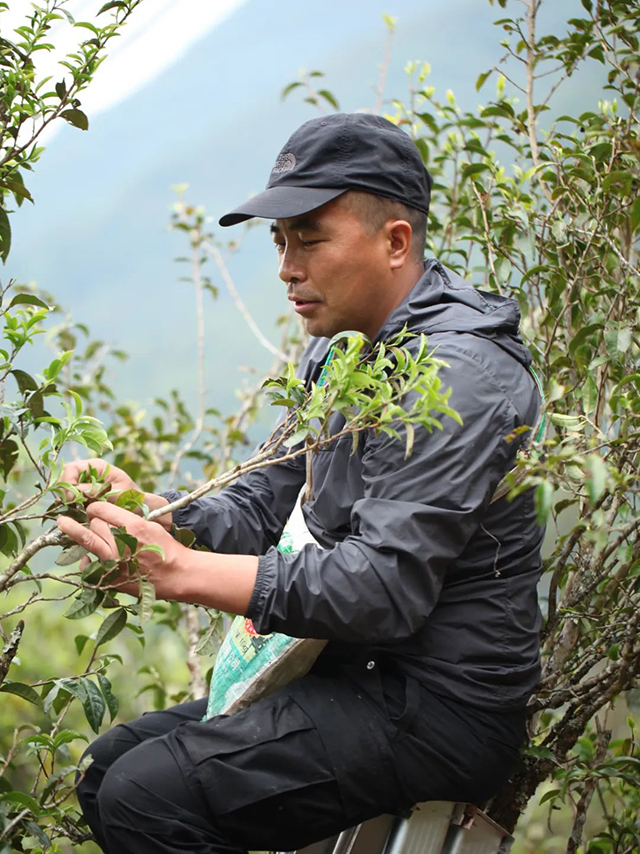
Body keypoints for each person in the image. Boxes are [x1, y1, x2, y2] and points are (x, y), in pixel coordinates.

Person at [58, 113, 544, 854]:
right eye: (280, 242)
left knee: (146, 796)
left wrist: (180, 571)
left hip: (440, 706)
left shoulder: (461, 375)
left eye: (310, 238)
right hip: (353, 673)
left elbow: (384, 590)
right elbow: (265, 499)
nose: (287, 267)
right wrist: (156, 518)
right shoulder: (341, 357)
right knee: (106, 771)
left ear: (395, 242)